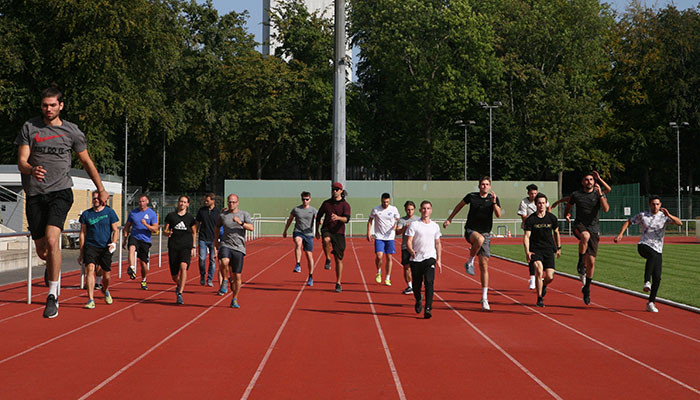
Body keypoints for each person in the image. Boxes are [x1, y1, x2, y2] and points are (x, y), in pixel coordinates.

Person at [16, 86, 109, 318]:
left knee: (52, 238)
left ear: (61, 106)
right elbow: (22, 162)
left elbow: (86, 162)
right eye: (45, 105)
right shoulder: (30, 127)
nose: (48, 109)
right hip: (36, 194)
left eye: (52, 105)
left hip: (60, 192)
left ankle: (52, 294)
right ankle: (52, 269)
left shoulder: (72, 132)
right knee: (42, 251)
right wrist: (31, 169)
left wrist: (101, 188)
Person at [614, 196, 682, 312]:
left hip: (658, 248)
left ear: (660, 205)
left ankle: (651, 302)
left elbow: (679, 223)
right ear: (649, 205)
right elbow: (629, 221)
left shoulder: (664, 217)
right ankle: (646, 281)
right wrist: (621, 234)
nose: (655, 206)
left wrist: (669, 215)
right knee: (652, 256)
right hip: (643, 245)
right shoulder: (643, 215)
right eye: (653, 204)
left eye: (657, 204)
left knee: (658, 277)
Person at [444, 176, 501, 311]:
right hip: (471, 230)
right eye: (482, 184)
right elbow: (459, 206)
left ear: (490, 186)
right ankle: (469, 261)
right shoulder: (471, 196)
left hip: (486, 233)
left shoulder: (493, 198)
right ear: (479, 185)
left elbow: (498, 214)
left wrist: (494, 203)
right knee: (479, 239)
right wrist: (449, 219)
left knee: (484, 265)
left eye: (487, 184)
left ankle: (484, 297)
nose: (484, 186)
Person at [564, 171, 611, 305]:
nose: (589, 182)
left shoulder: (598, 194)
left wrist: (600, 180)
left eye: (591, 179)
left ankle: (587, 288)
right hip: (579, 225)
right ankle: (580, 263)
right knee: (585, 236)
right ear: (582, 182)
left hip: (594, 228)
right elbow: (568, 205)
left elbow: (606, 208)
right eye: (586, 179)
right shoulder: (576, 195)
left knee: (591, 263)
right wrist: (567, 214)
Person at [78, 190, 119, 309]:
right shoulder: (86, 214)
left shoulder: (109, 212)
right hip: (91, 246)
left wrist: (114, 243)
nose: (95, 200)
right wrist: (81, 252)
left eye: (97, 198)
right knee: (90, 269)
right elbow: (82, 233)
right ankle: (91, 299)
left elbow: (115, 230)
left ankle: (105, 289)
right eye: (94, 198)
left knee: (106, 275)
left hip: (105, 247)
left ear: (103, 200)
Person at [214, 194, 254, 308]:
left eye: (233, 202)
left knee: (237, 277)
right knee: (224, 262)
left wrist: (240, 223)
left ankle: (235, 298)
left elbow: (251, 228)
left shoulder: (244, 214)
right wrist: (215, 241)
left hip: (239, 248)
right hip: (225, 244)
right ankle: (225, 281)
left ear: (238, 202)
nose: (231, 204)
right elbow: (217, 227)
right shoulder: (223, 215)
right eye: (229, 202)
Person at [523, 193, 561, 307]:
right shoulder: (531, 220)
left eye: (543, 203)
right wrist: (527, 252)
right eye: (539, 203)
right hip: (536, 250)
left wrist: (558, 248)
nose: (541, 205)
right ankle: (539, 299)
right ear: (536, 204)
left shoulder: (552, 218)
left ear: (546, 204)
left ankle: (544, 285)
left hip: (549, 250)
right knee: (539, 271)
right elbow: (526, 237)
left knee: (550, 276)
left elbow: (556, 233)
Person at [406, 200, 442, 319]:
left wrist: (439, 259)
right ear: (420, 210)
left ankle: (428, 308)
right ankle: (418, 299)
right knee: (416, 285)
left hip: (430, 258)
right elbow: (409, 241)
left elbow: (438, 243)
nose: (426, 211)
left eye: (428, 208)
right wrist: (411, 250)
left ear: (431, 210)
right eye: (424, 208)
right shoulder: (415, 225)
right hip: (416, 259)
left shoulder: (435, 226)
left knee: (429, 282)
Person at [315, 182, 351, 293]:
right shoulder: (326, 203)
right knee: (326, 239)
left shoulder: (345, 205)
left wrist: (338, 218)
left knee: (339, 260)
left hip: (339, 233)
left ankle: (338, 282)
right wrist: (316, 230)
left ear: (341, 191)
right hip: (327, 229)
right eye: (333, 189)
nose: (334, 191)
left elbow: (347, 219)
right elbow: (318, 216)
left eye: (336, 189)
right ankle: (327, 258)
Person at [164, 195, 197, 305]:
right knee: (174, 276)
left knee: (183, 267)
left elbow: (194, 232)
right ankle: (179, 284)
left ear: (188, 204)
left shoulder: (190, 218)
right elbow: (165, 231)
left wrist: (193, 246)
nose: (182, 204)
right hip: (173, 247)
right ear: (178, 203)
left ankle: (180, 294)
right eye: (180, 202)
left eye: (184, 202)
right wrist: (167, 233)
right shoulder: (171, 216)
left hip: (185, 247)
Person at [123, 194, 159, 290]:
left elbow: (155, 229)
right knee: (131, 248)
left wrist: (146, 225)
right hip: (134, 236)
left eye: (143, 201)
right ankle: (132, 268)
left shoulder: (152, 214)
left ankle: (143, 279)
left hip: (145, 240)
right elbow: (127, 226)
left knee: (143, 264)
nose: (141, 203)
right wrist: (125, 239)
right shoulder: (133, 213)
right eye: (140, 201)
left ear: (147, 202)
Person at [518, 184, 550, 290]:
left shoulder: (541, 199)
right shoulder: (524, 202)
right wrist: (535, 218)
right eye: (532, 193)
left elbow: (547, 209)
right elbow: (523, 217)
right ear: (528, 193)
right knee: (532, 253)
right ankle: (532, 277)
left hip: (541, 229)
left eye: (535, 193)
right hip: (530, 229)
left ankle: (542, 273)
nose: (534, 195)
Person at [282, 191, 317, 286]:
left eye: (307, 199)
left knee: (309, 255)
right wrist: (285, 230)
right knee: (298, 242)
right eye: (303, 199)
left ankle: (310, 276)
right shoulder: (296, 209)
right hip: (298, 231)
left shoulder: (313, 210)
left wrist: (320, 224)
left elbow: (318, 219)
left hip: (309, 234)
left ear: (310, 199)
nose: (305, 201)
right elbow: (290, 220)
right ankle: (298, 264)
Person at [367, 193, 400, 286]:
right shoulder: (376, 209)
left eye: (387, 202)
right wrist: (369, 232)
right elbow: (370, 220)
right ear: (381, 200)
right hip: (379, 236)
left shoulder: (394, 209)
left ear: (389, 201)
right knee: (379, 256)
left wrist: (396, 224)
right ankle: (379, 271)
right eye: (384, 202)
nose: (385, 204)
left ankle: (388, 278)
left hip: (390, 237)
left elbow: (398, 219)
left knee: (389, 257)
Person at [195, 193, 220, 287]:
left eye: (207, 200)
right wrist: (195, 232)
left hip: (214, 239)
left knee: (212, 260)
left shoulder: (218, 212)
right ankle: (202, 275)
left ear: (213, 201)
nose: (206, 202)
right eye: (205, 200)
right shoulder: (202, 210)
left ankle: (210, 279)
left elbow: (221, 225)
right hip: (203, 238)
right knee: (201, 259)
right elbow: (197, 222)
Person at [396, 201, 420, 295]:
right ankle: (410, 286)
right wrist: (404, 228)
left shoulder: (418, 220)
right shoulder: (402, 220)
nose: (410, 211)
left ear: (414, 209)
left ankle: (417, 284)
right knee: (407, 267)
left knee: (417, 268)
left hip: (416, 247)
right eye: (408, 210)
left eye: (412, 209)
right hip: (405, 247)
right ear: (405, 210)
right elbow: (397, 232)